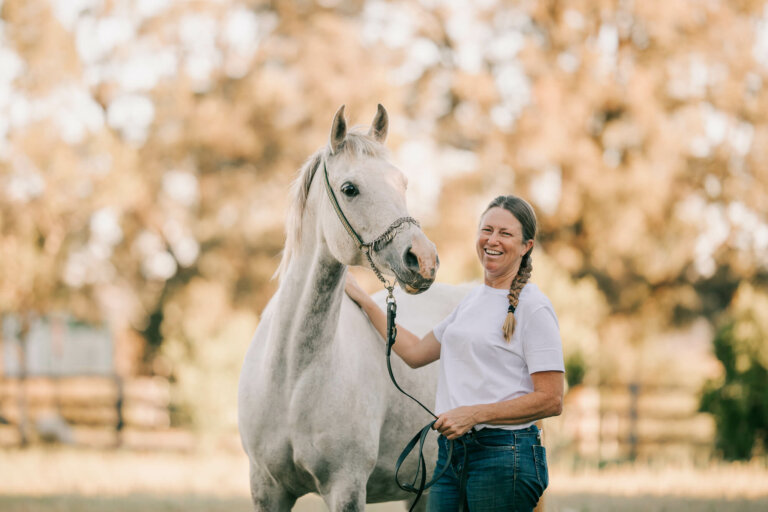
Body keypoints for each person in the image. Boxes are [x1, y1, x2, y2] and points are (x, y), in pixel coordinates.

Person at [344, 195, 565, 512]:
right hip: (450, 456)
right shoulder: (471, 301)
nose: (492, 240)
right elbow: (416, 352)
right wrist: (366, 301)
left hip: (504, 456)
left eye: (505, 233)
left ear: (527, 246)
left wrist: (473, 414)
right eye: (486, 229)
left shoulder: (535, 307)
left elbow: (551, 399)